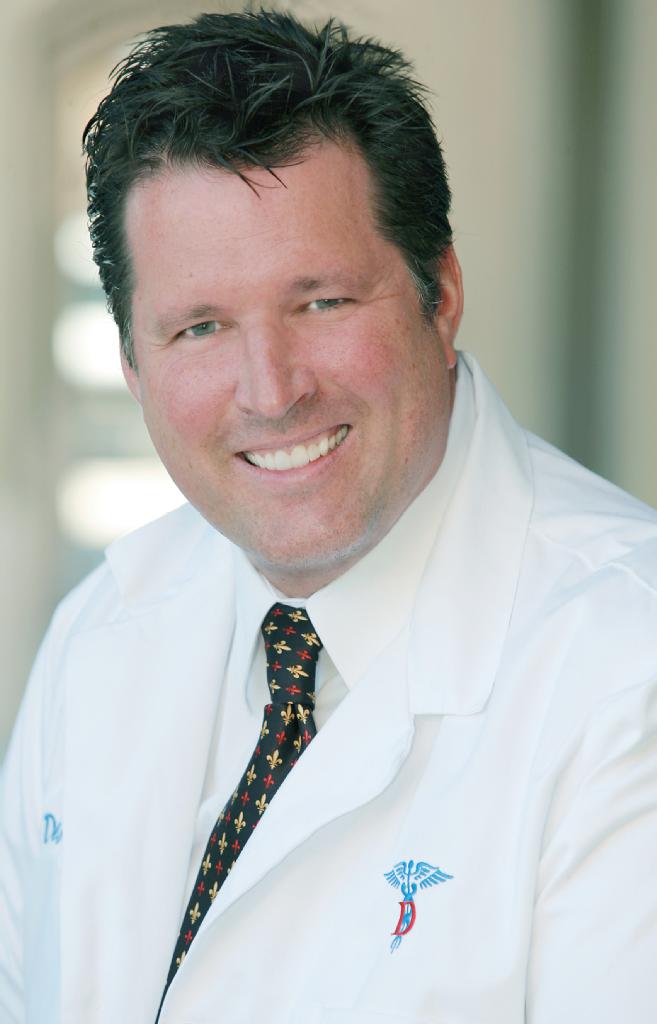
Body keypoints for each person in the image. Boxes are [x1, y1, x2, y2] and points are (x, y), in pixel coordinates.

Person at [1, 9, 656, 1023]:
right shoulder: (97, 636)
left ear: (441, 293)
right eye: (199, 327)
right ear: (132, 363)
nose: (271, 391)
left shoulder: (626, 669)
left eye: (320, 304)